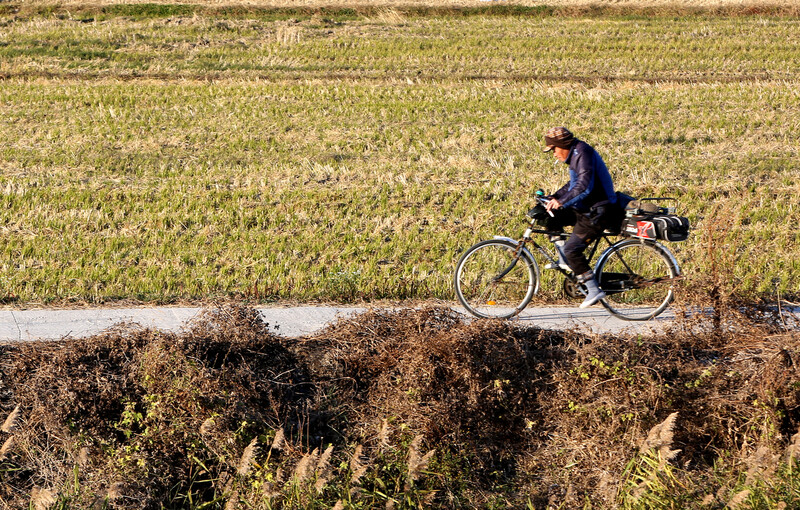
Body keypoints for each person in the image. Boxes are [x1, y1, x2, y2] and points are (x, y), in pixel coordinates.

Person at [542, 127, 620, 308]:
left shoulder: (582, 153)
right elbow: (573, 184)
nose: (553, 154)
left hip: (598, 211)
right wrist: (555, 197)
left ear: (563, 145)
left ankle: (593, 289)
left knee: (572, 250)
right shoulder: (574, 155)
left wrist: (562, 202)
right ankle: (564, 260)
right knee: (551, 218)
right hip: (586, 208)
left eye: (554, 149)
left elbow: (584, 186)